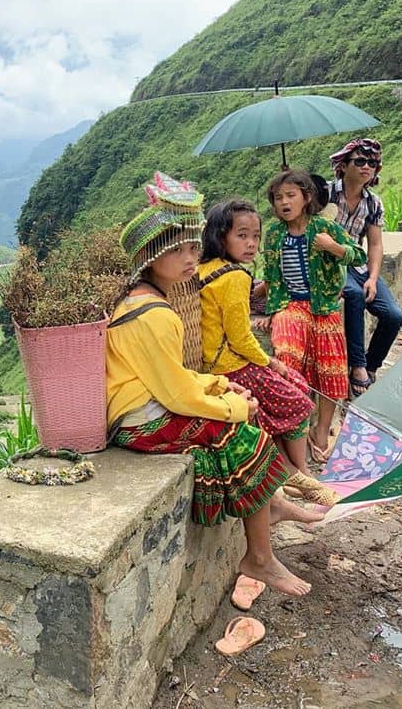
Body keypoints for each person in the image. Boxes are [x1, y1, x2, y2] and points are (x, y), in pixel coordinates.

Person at [107, 173, 314, 598]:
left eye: (191, 248)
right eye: (176, 250)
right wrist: (234, 407)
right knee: (242, 435)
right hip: (136, 421)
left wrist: (219, 384)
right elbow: (176, 394)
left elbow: (174, 378)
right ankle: (260, 557)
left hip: (144, 406)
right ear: (151, 257)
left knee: (238, 427)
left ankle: (270, 512)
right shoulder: (156, 314)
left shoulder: (144, 300)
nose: (188, 259)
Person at [198, 200, 335, 506]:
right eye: (242, 235)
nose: (251, 244)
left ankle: (292, 475)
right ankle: (299, 473)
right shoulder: (235, 277)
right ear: (221, 236)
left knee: (288, 393)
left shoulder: (205, 269)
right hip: (233, 367)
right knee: (299, 400)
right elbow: (241, 338)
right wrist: (273, 362)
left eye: (255, 236)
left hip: (213, 365)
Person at [258, 169, 366, 464]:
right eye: (278, 197)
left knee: (330, 365)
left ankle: (321, 431)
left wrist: (332, 247)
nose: (284, 202)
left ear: (306, 198)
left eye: (290, 195)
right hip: (291, 305)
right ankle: (295, 428)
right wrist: (272, 309)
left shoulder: (323, 227)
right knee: (287, 356)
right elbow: (271, 275)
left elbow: (359, 255)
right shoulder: (275, 235)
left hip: (324, 308)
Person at [327, 138, 402, 398]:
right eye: (359, 161)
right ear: (344, 165)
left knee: (393, 315)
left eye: (371, 163)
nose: (366, 167)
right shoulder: (324, 194)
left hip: (356, 264)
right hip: (329, 263)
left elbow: (375, 245)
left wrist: (372, 277)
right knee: (354, 295)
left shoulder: (373, 203)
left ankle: (371, 366)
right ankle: (357, 366)